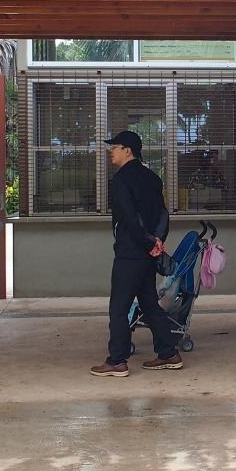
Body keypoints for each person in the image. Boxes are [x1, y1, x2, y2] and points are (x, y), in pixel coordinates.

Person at [90, 130, 184, 377]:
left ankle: (117, 361)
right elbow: (162, 213)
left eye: (115, 147)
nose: (111, 151)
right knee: (149, 303)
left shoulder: (121, 180)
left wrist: (146, 242)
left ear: (127, 150)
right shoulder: (153, 178)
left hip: (131, 252)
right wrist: (157, 241)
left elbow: (130, 218)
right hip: (148, 253)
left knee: (119, 307)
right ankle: (168, 353)